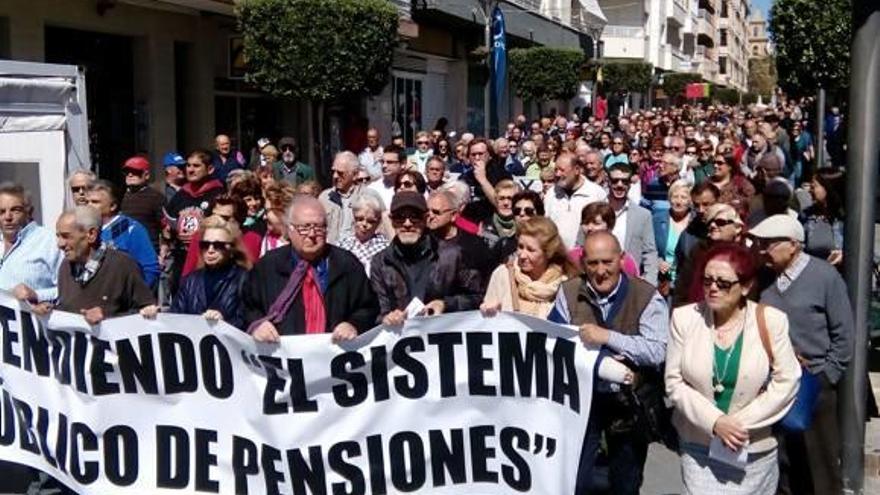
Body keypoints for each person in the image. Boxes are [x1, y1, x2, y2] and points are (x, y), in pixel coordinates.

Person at [665, 242, 800, 493]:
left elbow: (788, 380)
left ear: (746, 286)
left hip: (753, 449)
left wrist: (736, 424)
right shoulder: (684, 319)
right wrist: (715, 421)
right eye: (707, 281)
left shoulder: (772, 321)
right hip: (699, 444)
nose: (713, 288)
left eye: (723, 283)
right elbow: (674, 382)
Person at [550, 231, 668, 495]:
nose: (600, 271)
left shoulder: (646, 295)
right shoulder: (568, 292)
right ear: (583, 264)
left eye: (607, 262)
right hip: (583, 401)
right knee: (577, 480)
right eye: (592, 263)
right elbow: (554, 341)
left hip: (629, 403)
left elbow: (658, 350)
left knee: (625, 482)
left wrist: (608, 338)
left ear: (621, 260)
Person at [751, 214, 854, 495]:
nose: (762, 251)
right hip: (774, 383)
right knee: (782, 465)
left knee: (819, 467)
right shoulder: (764, 279)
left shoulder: (824, 277)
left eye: (769, 245)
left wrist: (825, 376)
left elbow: (844, 334)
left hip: (813, 384)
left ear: (793, 245)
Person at [242, 195, 379, 341]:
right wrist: (257, 325)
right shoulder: (268, 266)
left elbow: (369, 307)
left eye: (319, 227)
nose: (312, 234)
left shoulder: (346, 264)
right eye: (305, 228)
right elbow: (248, 307)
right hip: (283, 356)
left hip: (333, 355)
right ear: (290, 229)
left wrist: (354, 325)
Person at [371, 191, 483, 324]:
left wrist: (445, 304)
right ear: (392, 221)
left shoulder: (452, 256)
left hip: (441, 335)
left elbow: (478, 298)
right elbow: (376, 311)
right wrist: (387, 317)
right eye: (400, 217)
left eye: (415, 217)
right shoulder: (381, 262)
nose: (407, 224)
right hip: (402, 339)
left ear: (425, 219)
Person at [54, 206, 158, 324]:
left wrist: (107, 318)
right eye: (58, 236)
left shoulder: (122, 265)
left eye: (66, 236)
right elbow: (65, 309)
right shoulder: (65, 267)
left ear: (91, 234)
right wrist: (47, 309)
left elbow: (147, 313)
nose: (60, 244)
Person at [480, 216, 577, 318]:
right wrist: (489, 311)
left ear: (548, 253)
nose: (522, 255)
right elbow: (487, 323)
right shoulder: (503, 275)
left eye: (530, 250)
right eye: (520, 247)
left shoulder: (565, 285)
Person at [171, 216, 250, 329]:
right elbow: (175, 318)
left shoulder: (245, 279)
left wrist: (225, 324)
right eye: (205, 245)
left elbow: (250, 321)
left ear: (231, 249)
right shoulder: (190, 281)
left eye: (218, 246)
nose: (210, 250)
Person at [164, 150, 226, 294]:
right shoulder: (180, 195)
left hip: (207, 262)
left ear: (210, 169)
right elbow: (168, 224)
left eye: (196, 166)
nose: (190, 170)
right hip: (181, 261)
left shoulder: (219, 194)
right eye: (188, 165)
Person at [87, 180, 160, 287]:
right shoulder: (84, 229)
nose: (89, 206)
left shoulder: (131, 229)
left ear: (112, 206)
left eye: (95, 202)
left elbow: (150, 269)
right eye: (87, 202)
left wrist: (136, 297)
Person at [0, 182, 63, 305]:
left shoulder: (49, 242)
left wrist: (36, 295)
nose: (8, 217)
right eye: (1, 211)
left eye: (15, 210)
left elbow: (69, 291)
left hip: (32, 322)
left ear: (29, 212)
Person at [606, 163, 659, 285]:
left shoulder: (643, 215)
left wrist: (649, 283)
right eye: (615, 181)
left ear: (630, 184)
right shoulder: (595, 210)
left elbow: (650, 252)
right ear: (608, 181)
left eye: (624, 181)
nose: (619, 185)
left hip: (630, 282)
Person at [544, 151, 607, 249]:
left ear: (577, 170)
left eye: (561, 170)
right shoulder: (551, 194)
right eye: (555, 170)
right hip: (557, 257)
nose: (557, 174)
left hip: (585, 256)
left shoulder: (596, 194)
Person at [571, 202, 640, 278]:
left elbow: (634, 285)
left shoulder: (625, 260)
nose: (589, 228)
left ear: (609, 226)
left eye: (596, 223)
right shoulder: (573, 256)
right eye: (586, 223)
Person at [319, 151, 366, 245]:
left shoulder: (367, 197)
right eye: (333, 172)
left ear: (355, 175)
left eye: (340, 173)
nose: (335, 176)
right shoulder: (324, 197)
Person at [120, 155, 165, 252]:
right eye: (127, 172)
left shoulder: (156, 197)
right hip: (124, 250)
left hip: (148, 250)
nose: (130, 175)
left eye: (135, 172)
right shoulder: (119, 195)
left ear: (146, 175)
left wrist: (163, 249)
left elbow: (164, 227)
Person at [337, 193, 389, 276]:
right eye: (360, 219)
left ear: (378, 223)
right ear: (353, 218)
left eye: (370, 221)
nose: (364, 224)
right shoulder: (342, 245)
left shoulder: (385, 247)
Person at [655, 180, 692, 296]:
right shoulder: (657, 220)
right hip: (664, 282)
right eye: (675, 197)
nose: (679, 202)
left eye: (683, 197)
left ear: (690, 201)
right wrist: (658, 261)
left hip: (688, 282)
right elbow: (649, 248)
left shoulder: (696, 222)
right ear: (669, 199)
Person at [802, 169, 844, 265]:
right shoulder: (806, 216)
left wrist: (845, 256)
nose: (809, 190)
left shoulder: (847, 219)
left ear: (828, 188)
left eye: (814, 186)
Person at [711, 152, 755, 218]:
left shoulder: (741, 184)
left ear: (729, 166)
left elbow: (751, 203)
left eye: (719, 163)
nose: (715, 165)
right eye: (714, 162)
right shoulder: (707, 183)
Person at [261, 182, 297, 256]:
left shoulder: (301, 242)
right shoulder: (268, 240)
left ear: (282, 210)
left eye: (267, 211)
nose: (264, 217)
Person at [370, 144, 404, 209]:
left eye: (389, 162)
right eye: (382, 162)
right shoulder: (373, 189)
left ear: (403, 164)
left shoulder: (413, 186)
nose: (384, 166)